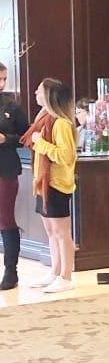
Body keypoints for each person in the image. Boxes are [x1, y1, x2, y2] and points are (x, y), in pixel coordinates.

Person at [21, 79, 77, 293]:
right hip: (43, 184)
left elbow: (66, 156)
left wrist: (41, 143)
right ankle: (55, 271)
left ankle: (66, 276)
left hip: (57, 185)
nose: (35, 93)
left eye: (39, 90)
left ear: (49, 96)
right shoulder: (43, 118)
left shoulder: (61, 123)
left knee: (62, 232)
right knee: (51, 231)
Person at [0, 63, 29, 290]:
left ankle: (11, 271)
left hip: (6, 168)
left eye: (4, 79)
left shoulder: (12, 106)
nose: (1, 84)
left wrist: (6, 139)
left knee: (5, 218)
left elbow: (25, 136)